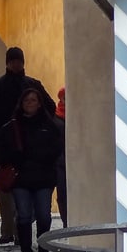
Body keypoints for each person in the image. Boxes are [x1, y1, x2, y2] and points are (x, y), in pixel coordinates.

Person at [0, 47, 56, 245]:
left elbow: (50, 107)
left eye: (18, 61)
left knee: (25, 193)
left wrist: (43, 131)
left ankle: (19, 228)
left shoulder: (33, 85)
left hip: (31, 145)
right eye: (12, 61)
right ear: (7, 62)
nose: (15, 64)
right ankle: (8, 229)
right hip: (5, 144)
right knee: (6, 186)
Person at [0, 88, 62, 252]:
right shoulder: (13, 126)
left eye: (33, 100)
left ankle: (42, 243)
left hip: (43, 178)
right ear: (21, 104)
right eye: (27, 100)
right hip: (21, 178)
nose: (30, 103)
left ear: (39, 103)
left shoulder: (48, 125)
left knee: (44, 216)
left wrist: (44, 158)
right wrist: (11, 158)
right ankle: (25, 251)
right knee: (23, 216)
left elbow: (57, 148)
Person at [54, 87, 67, 228]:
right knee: (62, 192)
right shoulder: (55, 117)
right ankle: (66, 221)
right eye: (65, 97)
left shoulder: (77, 114)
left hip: (75, 160)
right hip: (59, 160)